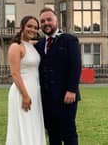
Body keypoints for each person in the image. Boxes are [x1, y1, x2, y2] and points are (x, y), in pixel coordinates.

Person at [35, 8, 82, 145]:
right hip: (46, 98)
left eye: (49, 19)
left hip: (66, 96)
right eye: (42, 21)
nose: (46, 23)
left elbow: (76, 66)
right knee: (52, 133)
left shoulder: (70, 40)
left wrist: (72, 89)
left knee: (69, 132)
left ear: (56, 21)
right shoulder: (40, 44)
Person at [6, 16, 46, 145]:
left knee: (33, 124)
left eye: (35, 27)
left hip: (34, 91)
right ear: (22, 27)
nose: (32, 29)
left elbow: (45, 42)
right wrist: (25, 95)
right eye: (29, 26)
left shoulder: (30, 45)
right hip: (22, 93)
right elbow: (15, 73)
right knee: (23, 125)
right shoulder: (15, 46)